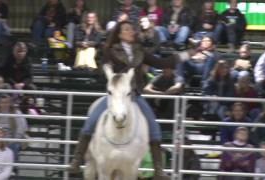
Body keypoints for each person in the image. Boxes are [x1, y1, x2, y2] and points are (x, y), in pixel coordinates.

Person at [69, 21, 193, 179]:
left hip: (134, 95)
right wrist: (110, 72)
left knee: (154, 127)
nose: (131, 31)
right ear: (119, 34)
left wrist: (189, 53)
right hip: (114, 95)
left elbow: (163, 63)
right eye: (127, 29)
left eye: (132, 29)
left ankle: (158, 169)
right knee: (90, 123)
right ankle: (77, 160)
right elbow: (103, 67)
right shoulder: (109, 50)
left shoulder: (140, 51)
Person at [0, 94, 28, 162]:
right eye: (2, 102)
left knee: (14, 147)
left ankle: (13, 169)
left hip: (12, 138)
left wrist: (13, 140)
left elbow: (22, 127)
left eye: (6, 102)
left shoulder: (16, 112)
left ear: (10, 103)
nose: (4, 104)